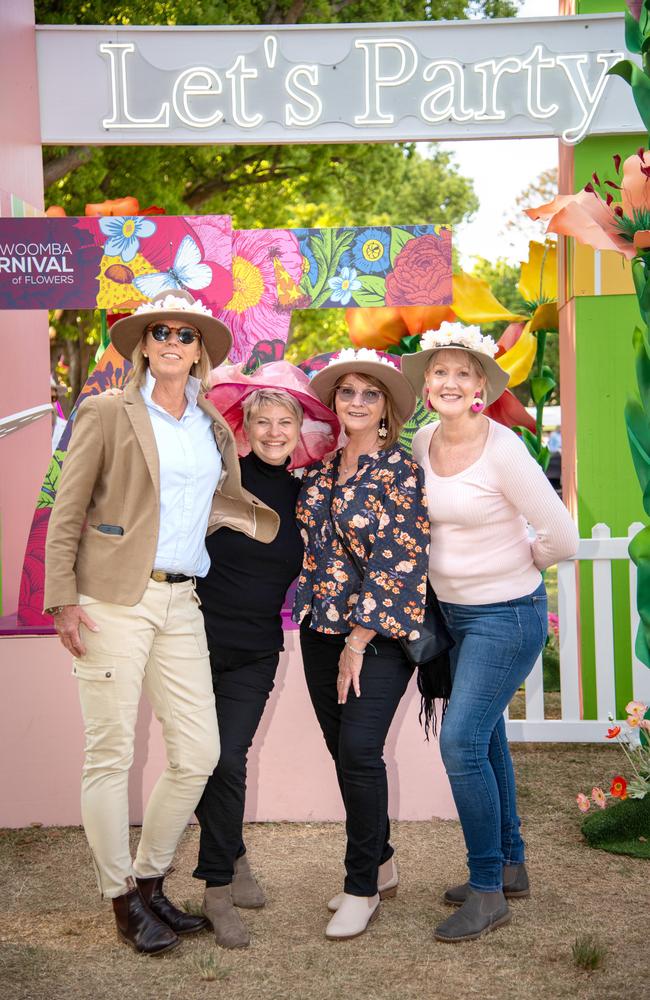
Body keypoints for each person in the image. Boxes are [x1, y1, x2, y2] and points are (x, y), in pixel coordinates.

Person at [43, 289, 279, 956]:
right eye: (161, 331)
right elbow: (69, 508)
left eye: (186, 333)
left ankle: (149, 879)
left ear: (200, 349)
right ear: (144, 344)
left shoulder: (210, 424)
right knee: (111, 753)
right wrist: (64, 596)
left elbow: (218, 499)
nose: (173, 340)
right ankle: (119, 898)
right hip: (113, 599)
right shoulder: (106, 412)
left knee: (199, 753)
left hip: (183, 601)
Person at [402, 324, 579, 943]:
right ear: (427, 384)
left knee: (460, 743)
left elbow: (563, 535)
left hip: (507, 616)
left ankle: (486, 891)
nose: (449, 383)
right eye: (440, 372)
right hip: (453, 618)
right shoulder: (423, 441)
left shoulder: (504, 450)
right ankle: (510, 864)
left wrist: (525, 561)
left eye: (463, 373)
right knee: (487, 737)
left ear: (481, 386)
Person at [190, 361, 341, 949]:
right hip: (191, 639)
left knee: (227, 758)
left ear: (299, 428)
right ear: (244, 426)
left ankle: (219, 879)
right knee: (201, 758)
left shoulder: (308, 497)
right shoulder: (216, 478)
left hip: (255, 651)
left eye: (286, 421)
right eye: (263, 420)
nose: (275, 431)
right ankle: (227, 877)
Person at [293, 348, 430, 941]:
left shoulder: (399, 470)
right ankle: (383, 861)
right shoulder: (320, 472)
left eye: (368, 394)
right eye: (346, 392)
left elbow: (400, 558)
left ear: (386, 409)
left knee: (359, 753)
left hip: (375, 636)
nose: (354, 401)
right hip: (316, 630)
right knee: (344, 754)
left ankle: (361, 887)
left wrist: (358, 638)